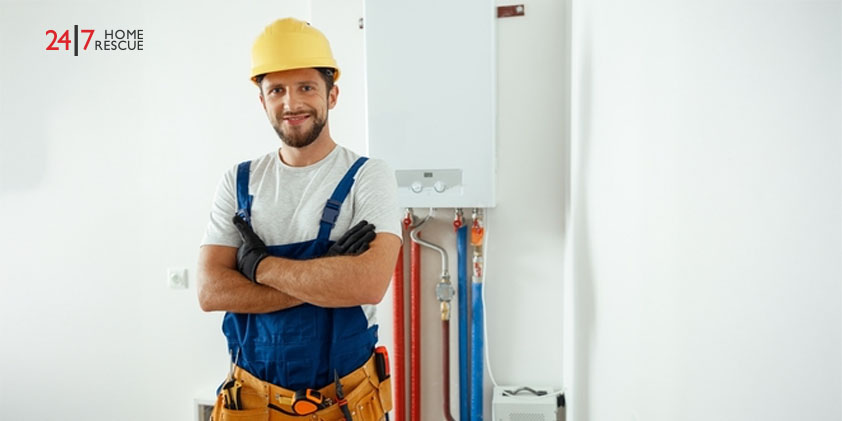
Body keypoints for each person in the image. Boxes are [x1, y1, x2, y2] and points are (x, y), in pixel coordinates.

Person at [197, 17, 400, 421]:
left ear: (333, 94)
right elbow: (211, 291)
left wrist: (259, 266)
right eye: (277, 90)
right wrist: (326, 277)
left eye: (306, 87)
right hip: (252, 403)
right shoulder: (239, 181)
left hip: (344, 403)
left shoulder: (368, 176)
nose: (292, 104)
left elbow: (369, 283)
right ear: (263, 100)